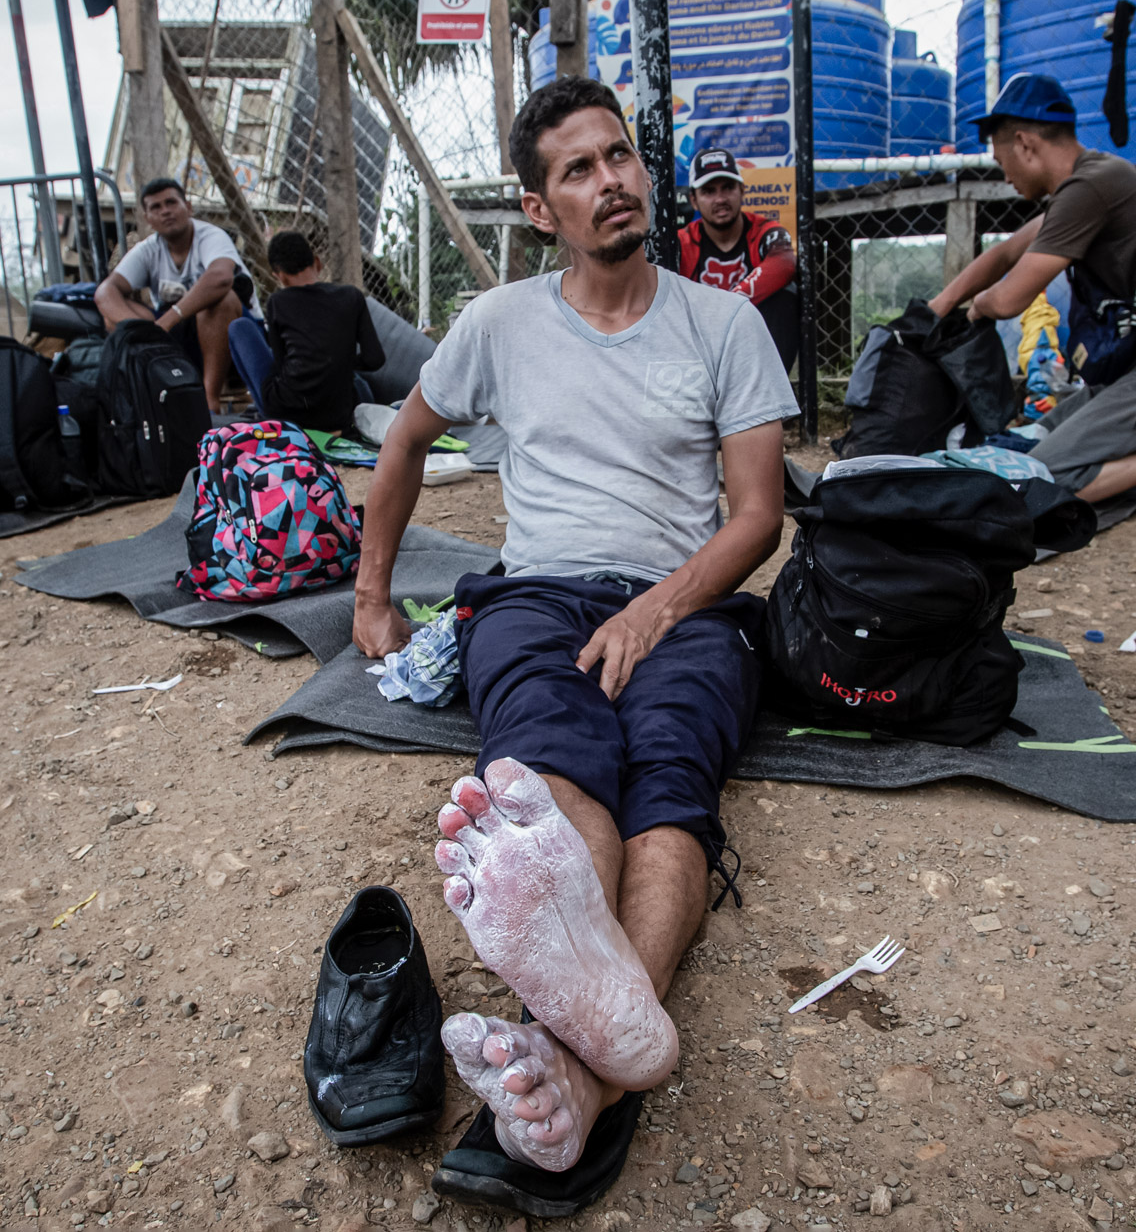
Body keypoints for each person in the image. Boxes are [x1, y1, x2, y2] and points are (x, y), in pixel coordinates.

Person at [350, 76, 794, 1188]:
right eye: (578, 170)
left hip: (687, 599)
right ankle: (606, 1047)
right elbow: (402, 442)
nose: (611, 181)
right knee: (549, 770)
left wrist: (656, 608)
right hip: (537, 596)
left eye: (619, 156)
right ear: (539, 208)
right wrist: (371, 596)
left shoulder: (723, 321)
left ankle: (577, 1068)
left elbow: (757, 515)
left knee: (671, 771)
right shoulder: (498, 323)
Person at [927, 73, 1136, 526]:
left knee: (1038, 482)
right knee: (1035, 438)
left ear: (1024, 143)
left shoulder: (1091, 187)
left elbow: (1010, 299)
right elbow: (1005, 253)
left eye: (1001, 161)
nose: (1006, 176)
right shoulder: (1092, 183)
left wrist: (976, 307)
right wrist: (937, 307)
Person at [95, 177, 246, 412]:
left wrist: (167, 320)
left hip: (233, 336)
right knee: (112, 316)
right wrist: (146, 331)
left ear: (188, 207)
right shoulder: (148, 249)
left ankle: (210, 401)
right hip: (174, 339)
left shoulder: (211, 236)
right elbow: (105, 292)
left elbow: (221, 277)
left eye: (171, 203)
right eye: (156, 207)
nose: (165, 211)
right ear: (147, 218)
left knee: (220, 301)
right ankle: (150, 392)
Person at [225, 230, 386, 430]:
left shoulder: (278, 301)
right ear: (317, 262)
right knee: (357, 381)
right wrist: (340, 361)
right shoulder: (352, 296)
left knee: (239, 327)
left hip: (288, 414)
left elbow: (281, 364)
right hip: (338, 416)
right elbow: (375, 359)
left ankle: (259, 414)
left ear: (280, 276)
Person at [674, 146, 800, 371]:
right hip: (700, 349)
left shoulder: (764, 231)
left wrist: (728, 308)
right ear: (694, 200)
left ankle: (772, 387)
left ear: (742, 190)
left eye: (728, 187)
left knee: (786, 294)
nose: (720, 199)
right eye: (709, 191)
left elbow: (785, 263)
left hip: (753, 347)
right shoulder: (682, 242)